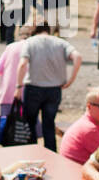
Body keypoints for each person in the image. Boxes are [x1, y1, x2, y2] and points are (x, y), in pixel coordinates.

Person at [17, 22, 82, 152]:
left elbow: (22, 64)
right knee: (49, 124)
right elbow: (77, 57)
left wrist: (18, 86)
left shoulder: (30, 42)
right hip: (54, 89)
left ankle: (32, 153)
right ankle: (51, 154)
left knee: (30, 124)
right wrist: (71, 80)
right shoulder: (60, 43)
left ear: (35, 31)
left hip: (33, 88)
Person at [59, 87, 99, 165]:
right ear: (89, 106)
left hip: (72, 168)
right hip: (76, 172)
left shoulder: (88, 122)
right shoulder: (90, 129)